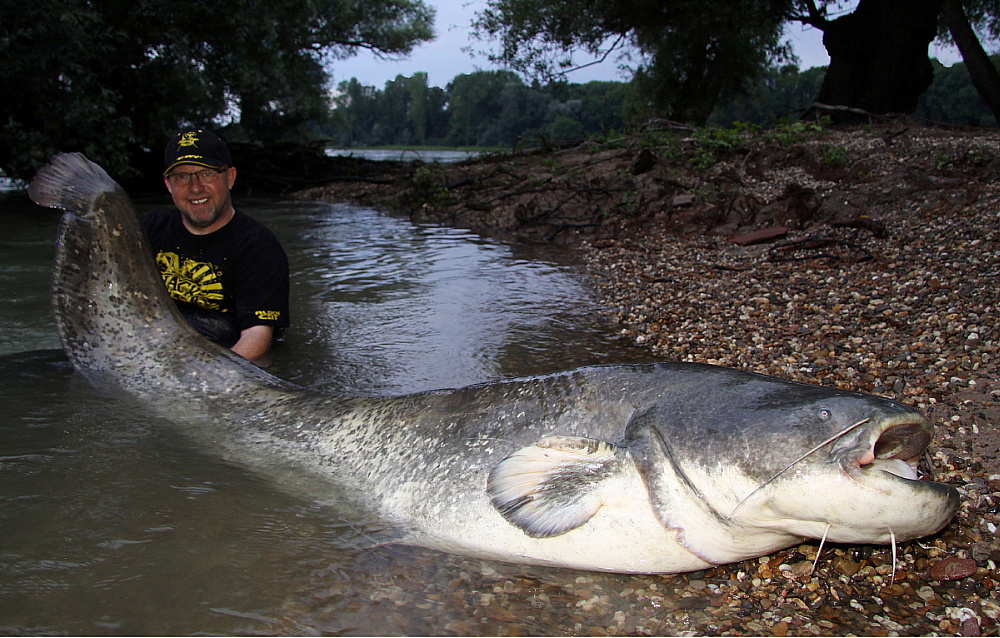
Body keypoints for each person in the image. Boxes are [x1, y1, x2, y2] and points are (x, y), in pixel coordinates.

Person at [141, 128, 290, 365]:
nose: (195, 187)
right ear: (168, 184)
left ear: (229, 177)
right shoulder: (148, 229)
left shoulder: (260, 249)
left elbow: (257, 338)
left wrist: (200, 376)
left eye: (206, 174)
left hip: (224, 355)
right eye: (181, 177)